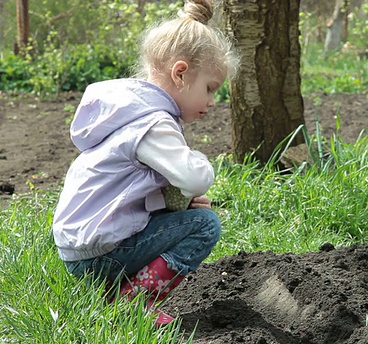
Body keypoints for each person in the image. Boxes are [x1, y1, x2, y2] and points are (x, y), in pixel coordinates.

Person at [52, 0, 239, 326]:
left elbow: (129, 190)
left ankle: (111, 294)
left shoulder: (128, 113)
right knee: (205, 225)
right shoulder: (154, 124)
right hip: (101, 253)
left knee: (191, 214)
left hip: (78, 250)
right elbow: (194, 178)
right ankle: (134, 303)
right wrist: (200, 162)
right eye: (210, 89)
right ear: (180, 73)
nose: (211, 102)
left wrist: (180, 201)